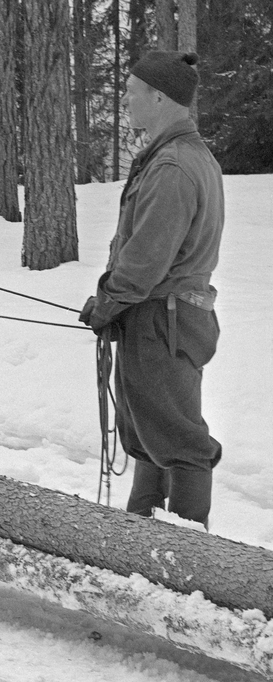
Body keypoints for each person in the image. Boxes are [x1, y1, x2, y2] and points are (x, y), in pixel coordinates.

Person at [79, 51, 225, 527]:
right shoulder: (182, 157)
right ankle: (139, 540)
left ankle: (186, 560)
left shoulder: (172, 167)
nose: (126, 100)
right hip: (162, 315)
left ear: (159, 96)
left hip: (162, 319)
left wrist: (106, 303)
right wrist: (112, 303)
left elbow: (144, 261)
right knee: (148, 431)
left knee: (179, 442)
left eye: (132, 91)